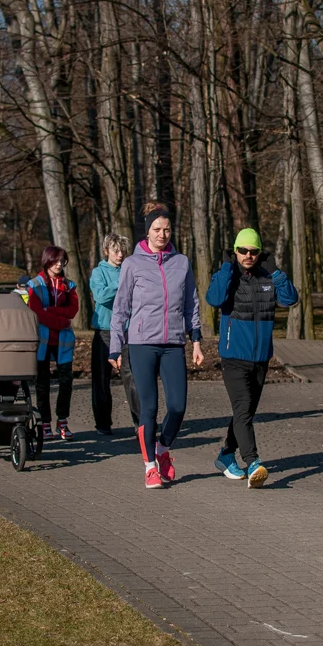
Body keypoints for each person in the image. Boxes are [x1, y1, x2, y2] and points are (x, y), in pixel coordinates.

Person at [109, 203, 204, 489]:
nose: (162, 234)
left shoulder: (182, 263)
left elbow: (191, 304)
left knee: (177, 406)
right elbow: (120, 308)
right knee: (148, 408)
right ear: (147, 232)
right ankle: (150, 466)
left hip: (173, 343)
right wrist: (115, 347)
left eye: (167, 229)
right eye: (157, 229)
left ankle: (162, 449)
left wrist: (196, 341)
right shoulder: (132, 264)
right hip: (142, 344)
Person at [206, 227, 299, 488]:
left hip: (261, 358)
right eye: (243, 250)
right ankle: (253, 461)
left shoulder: (267, 277)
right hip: (234, 356)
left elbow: (290, 299)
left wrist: (276, 272)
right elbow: (214, 298)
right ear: (235, 251)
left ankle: (226, 455)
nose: (248, 255)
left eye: (253, 251)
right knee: (243, 409)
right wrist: (226, 268)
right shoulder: (228, 275)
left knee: (244, 412)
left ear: (260, 253)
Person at [89, 233, 140, 436]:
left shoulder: (131, 269)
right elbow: (101, 296)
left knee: (132, 378)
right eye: (116, 251)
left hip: (128, 332)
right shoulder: (98, 273)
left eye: (123, 251)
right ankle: (103, 424)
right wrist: (122, 285)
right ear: (106, 251)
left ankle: (140, 424)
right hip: (104, 332)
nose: (120, 255)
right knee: (101, 379)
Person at [28, 245, 80, 441]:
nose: (59, 264)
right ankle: (44, 424)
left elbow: (72, 311)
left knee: (66, 382)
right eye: (55, 260)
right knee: (42, 384)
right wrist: (60, 321)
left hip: (63, 341)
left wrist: (51, 311)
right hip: (43, 341)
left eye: (62, 261)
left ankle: (62, 421)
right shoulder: (35, 285)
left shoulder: (70, 286)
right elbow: (36, 312)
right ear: (47, 260)